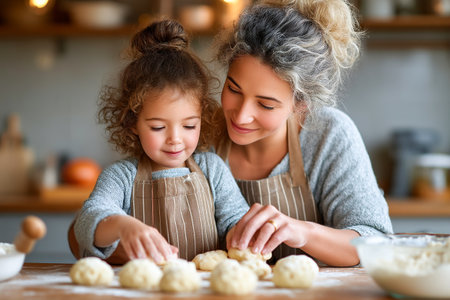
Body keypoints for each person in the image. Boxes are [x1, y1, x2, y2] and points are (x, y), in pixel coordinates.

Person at [212, 0, 393, 266]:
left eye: (265, 104)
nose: (241, 115)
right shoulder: (195, 130)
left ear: (301, 104)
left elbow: (376, 242)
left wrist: (301, 231)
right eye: (233, 89)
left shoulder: (328, 135)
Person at [70, 19, 249, 265]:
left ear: (202, 119)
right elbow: (88, 220)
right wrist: (122, 226)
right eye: (157, 127)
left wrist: (243, 235)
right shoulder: (121, 177)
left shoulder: (213, 169)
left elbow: (236, 220)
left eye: (189, 125)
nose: (175, 139)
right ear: (132, 122)